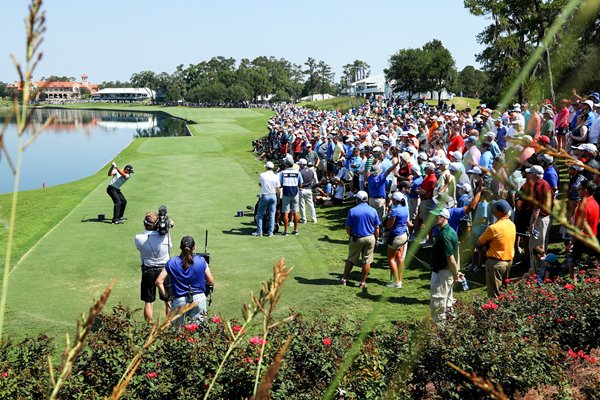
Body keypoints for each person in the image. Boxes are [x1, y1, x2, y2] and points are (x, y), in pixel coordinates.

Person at [156, 236, 214, 325]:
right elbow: (210, 281)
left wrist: (166, 297)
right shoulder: (201, 260)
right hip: (199, 299)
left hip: (179, 300)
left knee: (177, 333)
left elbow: (159, 281)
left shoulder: (172, 262)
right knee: (199, 332)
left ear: (180, 247)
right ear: (194, 248)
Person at [135, 211, 172, 323]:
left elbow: (140, 247)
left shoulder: (138, 238)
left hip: (148, 270)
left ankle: (149, 325)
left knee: (148, 301)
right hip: (164, 271)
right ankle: (168, 324)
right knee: (168, 300)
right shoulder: (166, 237)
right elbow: (170, 246)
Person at [339, 191, 380, 289]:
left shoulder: (352, 211)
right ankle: (362, 282)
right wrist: (377, 239)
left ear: (357, 199)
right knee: (367, 261)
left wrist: (351, 235)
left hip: (357, 237)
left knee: (351, 259)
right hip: (370, 238)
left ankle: (344, 279)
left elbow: (348, 227)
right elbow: (377, 227)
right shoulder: (373, 210)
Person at [478, 200, 516, 298]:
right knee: (503, 290)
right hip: (508, 262)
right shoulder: (512, 225)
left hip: (496, 263)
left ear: (498, 212)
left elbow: (479, 242)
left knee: (494, 294)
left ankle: (494, 312)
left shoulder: (493, 228)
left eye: (494, 209)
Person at [429, 207, 461, 323]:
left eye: (436, 216)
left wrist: (456, 273)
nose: (433, 218)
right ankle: (451, 325)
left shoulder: (444, 235)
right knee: (448, 300)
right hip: (447, 272)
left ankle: (439, 329)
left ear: (444, 218)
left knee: (438, 301)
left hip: (442, 272)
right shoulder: (450, 231)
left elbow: (450, 257)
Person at [385, 191, 413, 288]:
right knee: (400, 258)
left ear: (395, 200)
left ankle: (396, 282)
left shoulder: (395, 211)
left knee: (391, 259)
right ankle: (400, 280)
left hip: (396, 236)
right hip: (404, 235)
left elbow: (389, 225)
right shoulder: (405, 209)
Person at [253, 161, 280, 237]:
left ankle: (259, 232)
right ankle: (270, 233)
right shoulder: (275, 176)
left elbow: (260, 184)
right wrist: (277, 198)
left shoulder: (262, 175)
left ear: (266, 167)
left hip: (265, 196)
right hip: (273, 196)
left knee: (260, 214)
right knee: (272, 214)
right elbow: (278, 189)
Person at [279, 156, 303, 236]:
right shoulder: (298, 172)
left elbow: (280, 183)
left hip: (286, 192)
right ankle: (295, 229)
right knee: (295, 211)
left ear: (286, 164)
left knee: (285, 211)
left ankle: (285, 231)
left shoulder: (283, 172)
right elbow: (300, 184)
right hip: (295, 192)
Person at [298, 158, 318, 223]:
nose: (299, 165)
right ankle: (314, 218)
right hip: (309, 189)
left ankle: (304, 219)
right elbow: (312, 180)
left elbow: (299, 182)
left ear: (302, 164)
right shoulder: (311, 171)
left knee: (302, 205)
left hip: (302, 189)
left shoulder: (300, 172)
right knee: (311, 205)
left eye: (300, 164)